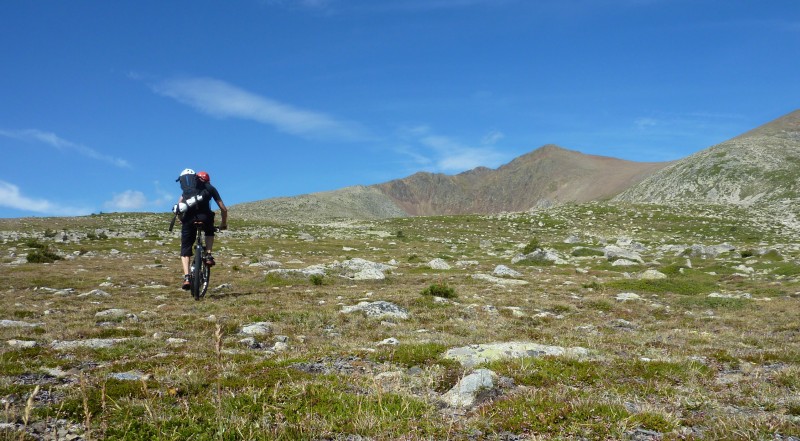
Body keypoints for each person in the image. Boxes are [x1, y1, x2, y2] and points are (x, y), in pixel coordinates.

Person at [173, 169, 228, 290]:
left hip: (188, 220)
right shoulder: (210, 188)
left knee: (185, 249)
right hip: (205, 218)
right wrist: (223, 223)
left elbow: (179, 206)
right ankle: (208, 255)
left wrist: (181, 219)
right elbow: (223, 209)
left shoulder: (186, 190)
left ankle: (187, 277)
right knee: (209, 230)